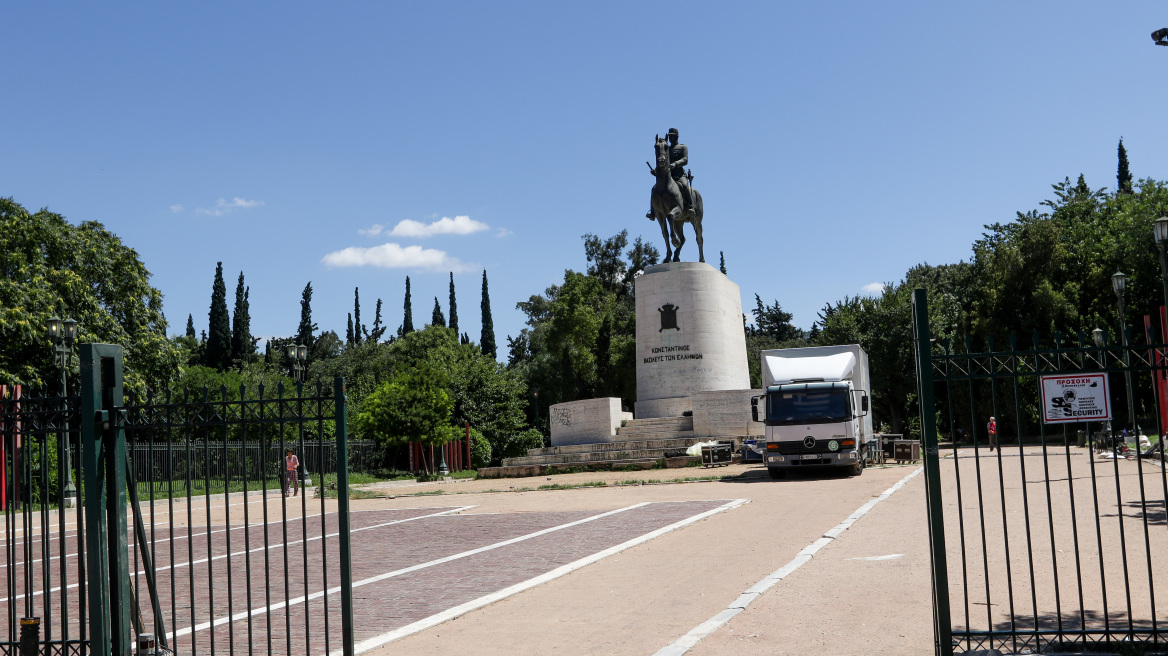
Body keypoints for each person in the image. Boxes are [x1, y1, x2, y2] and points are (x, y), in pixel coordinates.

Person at [646, 127, 694, 218]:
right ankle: (652, 212)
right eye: (670, 136)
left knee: (684, 185)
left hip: (679, 174)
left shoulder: (682, 147)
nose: (671, 138)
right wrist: (656, 171)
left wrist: (674, 165)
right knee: (654, 189)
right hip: (668, 175)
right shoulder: (666, 148)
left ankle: (691, 206)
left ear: (677, 137)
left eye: (673, 136)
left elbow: (685, 160)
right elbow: (663, 161)